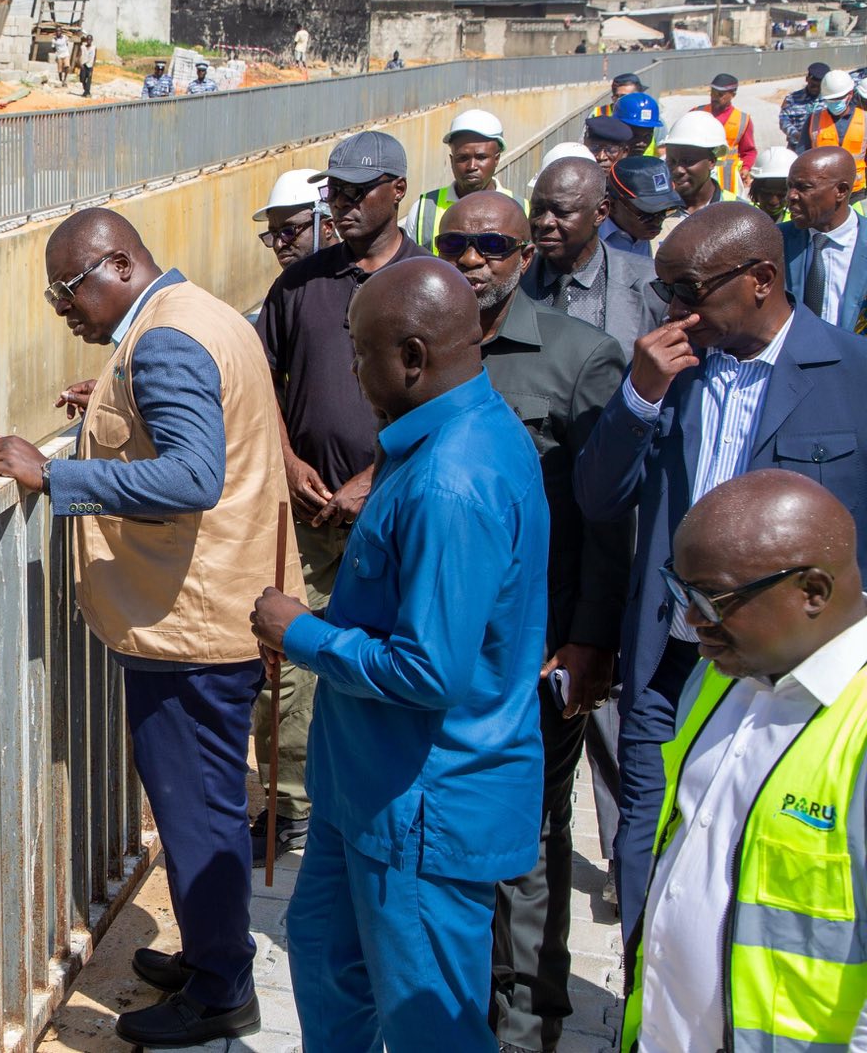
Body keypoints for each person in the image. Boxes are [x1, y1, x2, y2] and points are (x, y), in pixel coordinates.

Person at [0, 208, 295, 1048]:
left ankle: (223, 990)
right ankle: (211, 953)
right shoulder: (194, 315)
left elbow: (194, 473)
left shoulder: (162, 340)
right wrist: (106, 409)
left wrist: (53, 472)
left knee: (198, 810)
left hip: (192, 624)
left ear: (114, 265)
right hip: (219, 606)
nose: (64, 314)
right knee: (203, 803)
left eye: (66, 294)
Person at [252, 258, 548, 1053]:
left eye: (358, 351)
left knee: (429, 1026)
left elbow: (430, 671)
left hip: (421, 805)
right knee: (324, 963)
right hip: (364, 793)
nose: (349, 369)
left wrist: (299, 632)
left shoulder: (454, 479)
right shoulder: (437, 443)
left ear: (412, 357)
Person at [573, 201, 867, 944]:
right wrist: (639, 396)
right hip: (671, 658)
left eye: (689, 291)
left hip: (788, 675)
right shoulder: (670, 371)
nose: (675, 311)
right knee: (644, 830)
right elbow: (598, 496)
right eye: (665, 291)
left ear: (762, 279)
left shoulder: (851, 376)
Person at [435, 193, 630, 1053]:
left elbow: (605, 519)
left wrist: (588, 644)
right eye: (456, 244)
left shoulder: (580, 358)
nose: (472, 259)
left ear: (522, 255)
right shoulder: (429, 350)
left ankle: (526, 1016)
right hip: (439, 645)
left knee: (531, 837)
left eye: (491, 244)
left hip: (533, 648)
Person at [617, 471, 867, 1053]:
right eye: (680, 593)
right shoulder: (723, 676)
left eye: (711, 599)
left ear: (813, 592)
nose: (691, 621)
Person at [252, 130, 424, 860]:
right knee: (288, 661)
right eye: (337, 194)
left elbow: (450, 406)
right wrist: (288, 461)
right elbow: (258, 387)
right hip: (306, 516)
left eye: (360, 193)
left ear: (398, 193)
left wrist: (372, 480)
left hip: (397, 512)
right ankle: (290, 803)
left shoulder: (430, 283)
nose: (346, 206)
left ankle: (380, 794)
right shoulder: (298, 287)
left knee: (388, 653)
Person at [523, 157, 667, 357]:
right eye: (537, 210)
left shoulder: (651, 286)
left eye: (562, 212)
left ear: (601, 212)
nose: (544, 222)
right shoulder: (514, 279)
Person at [782, 146, 867, 329]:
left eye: (804, 187)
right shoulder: (775, 239)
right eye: (789, 186)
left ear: (841, 191)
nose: (791, 196)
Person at [406, 108, 512, 249]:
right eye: (462, 158)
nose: (471, 166)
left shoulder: (521, 209)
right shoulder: (424, 210)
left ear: (496, 159)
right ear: (451, 160)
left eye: (481, 157)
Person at [656, 108, 735, 241]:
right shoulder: (654, 211)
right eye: (671, 161)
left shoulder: (737, 211)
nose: (678, 170)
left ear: (711, 162)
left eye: (688, 161)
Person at [602, 155, 680, 259]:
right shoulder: (586, 241)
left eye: (666, 211)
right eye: (647, 214)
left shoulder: (675, 235)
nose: (658, 222)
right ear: (613, 205)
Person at [254, 167, 327, 269]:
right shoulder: (283, 284)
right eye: (274, 234)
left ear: (327, 227)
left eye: (288, 232)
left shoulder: (352, 280)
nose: (278, 245)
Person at [805, 68, 866, 159]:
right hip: (823, 173)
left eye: (839, 98)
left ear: (850, 94)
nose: (834, 102)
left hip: (856, 173)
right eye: (830, 99)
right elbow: (803, 153)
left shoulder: (865, 119)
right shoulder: (814, 120)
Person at [702, 73, 757, 172]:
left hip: (727, 176)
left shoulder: (743, 120)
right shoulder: (697, 113)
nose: (714, 97)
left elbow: (749, 152)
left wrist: (745, 168)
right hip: (700, 172)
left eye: (720, 94)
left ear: (733, 95)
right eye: (712, 92)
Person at [778, 61, 831, 151]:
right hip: (796, 147)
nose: (816, 89)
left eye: (819, 87)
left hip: (822, 147)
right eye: (813, 85)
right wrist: (797, 135)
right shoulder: (792, 99)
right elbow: (783, 121)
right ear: (807, 79)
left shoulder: (830, 100)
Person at [745, 145, 797, 222]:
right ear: (755, 191)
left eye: (781, 195)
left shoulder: (799, 224)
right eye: (767, 194)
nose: (773, 202)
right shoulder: (742, 218)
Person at [615, 90, 662, 155]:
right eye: (634, 135)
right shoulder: (601, 158)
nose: (641, 143)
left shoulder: (650, 164)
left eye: (647, 136)